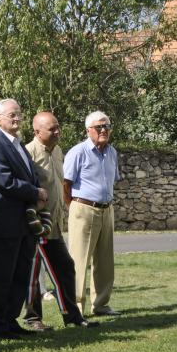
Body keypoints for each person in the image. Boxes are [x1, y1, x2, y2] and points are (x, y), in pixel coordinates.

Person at [24, 113, 100, 331]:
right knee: (33, 274)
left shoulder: (57, 151)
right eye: (52, 129)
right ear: (37, 132)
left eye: (58, 127)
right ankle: (32, 319)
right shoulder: (28, 153)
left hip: (55, 224)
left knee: (66, 268)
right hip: (37, 225)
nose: (57, 132)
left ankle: (72, 317)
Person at [0, 99, 47, 339]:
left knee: (19, 276)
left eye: (19, 114)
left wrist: (38, 193)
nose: (17, 119)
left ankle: (10, 321)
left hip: (22, 223)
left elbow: (31, 175)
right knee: (1, 277)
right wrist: (34, 192)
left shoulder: (18, 144)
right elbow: (3, 180)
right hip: (3, 223)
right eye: (12, 115)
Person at [63, 110, 122, 316]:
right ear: (88, 130)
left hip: (106, 209)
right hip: (83, 208)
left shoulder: (112, 152)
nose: (103, 130)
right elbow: (66, 183)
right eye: (99, 127)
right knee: (79, 260)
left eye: (106, 126)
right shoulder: (78, 152)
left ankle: (101, 305)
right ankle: (76, 307)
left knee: (105, 261)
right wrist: (73, 208)